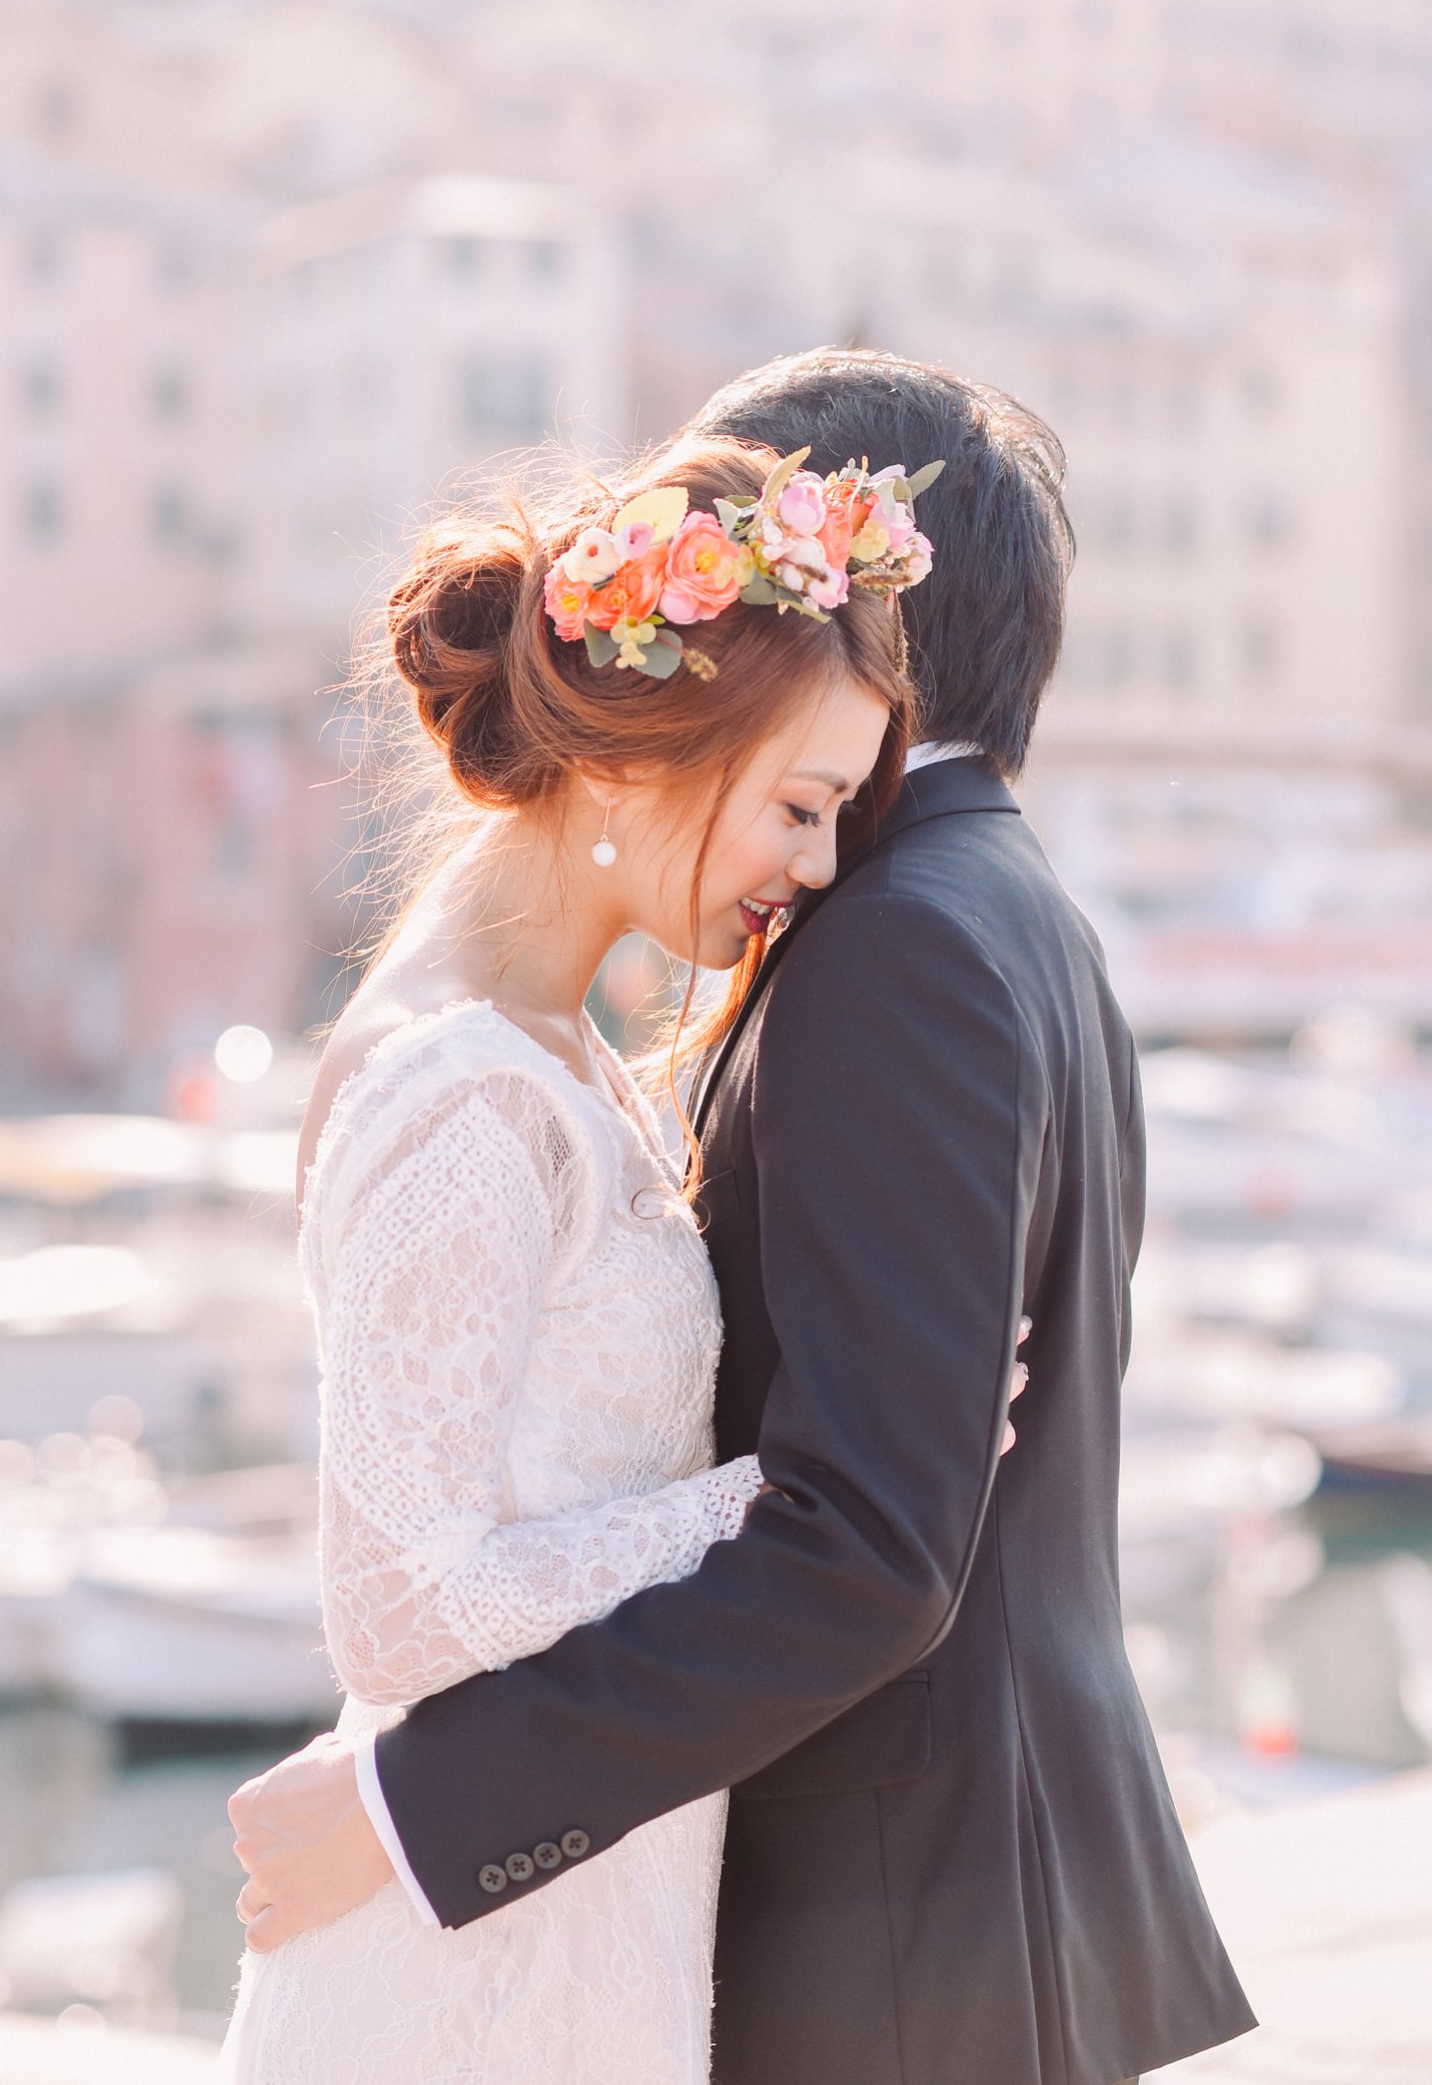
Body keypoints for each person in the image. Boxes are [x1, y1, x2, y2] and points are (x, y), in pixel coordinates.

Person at [230, 351, 1257, 2085]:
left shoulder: (903, 946)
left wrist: (416, 1810)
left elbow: (864, 1543)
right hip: (876, 1912)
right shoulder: (1009, 914)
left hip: (891, 1930)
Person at [221, 425, 954, 2082]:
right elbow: (401, 1607)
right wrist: (778, 1499)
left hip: (564, 1912)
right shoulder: (470, 1090)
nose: (817, 865)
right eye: (800, 803)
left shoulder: (552, 1050)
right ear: (641, 760)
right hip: (461, 1987)